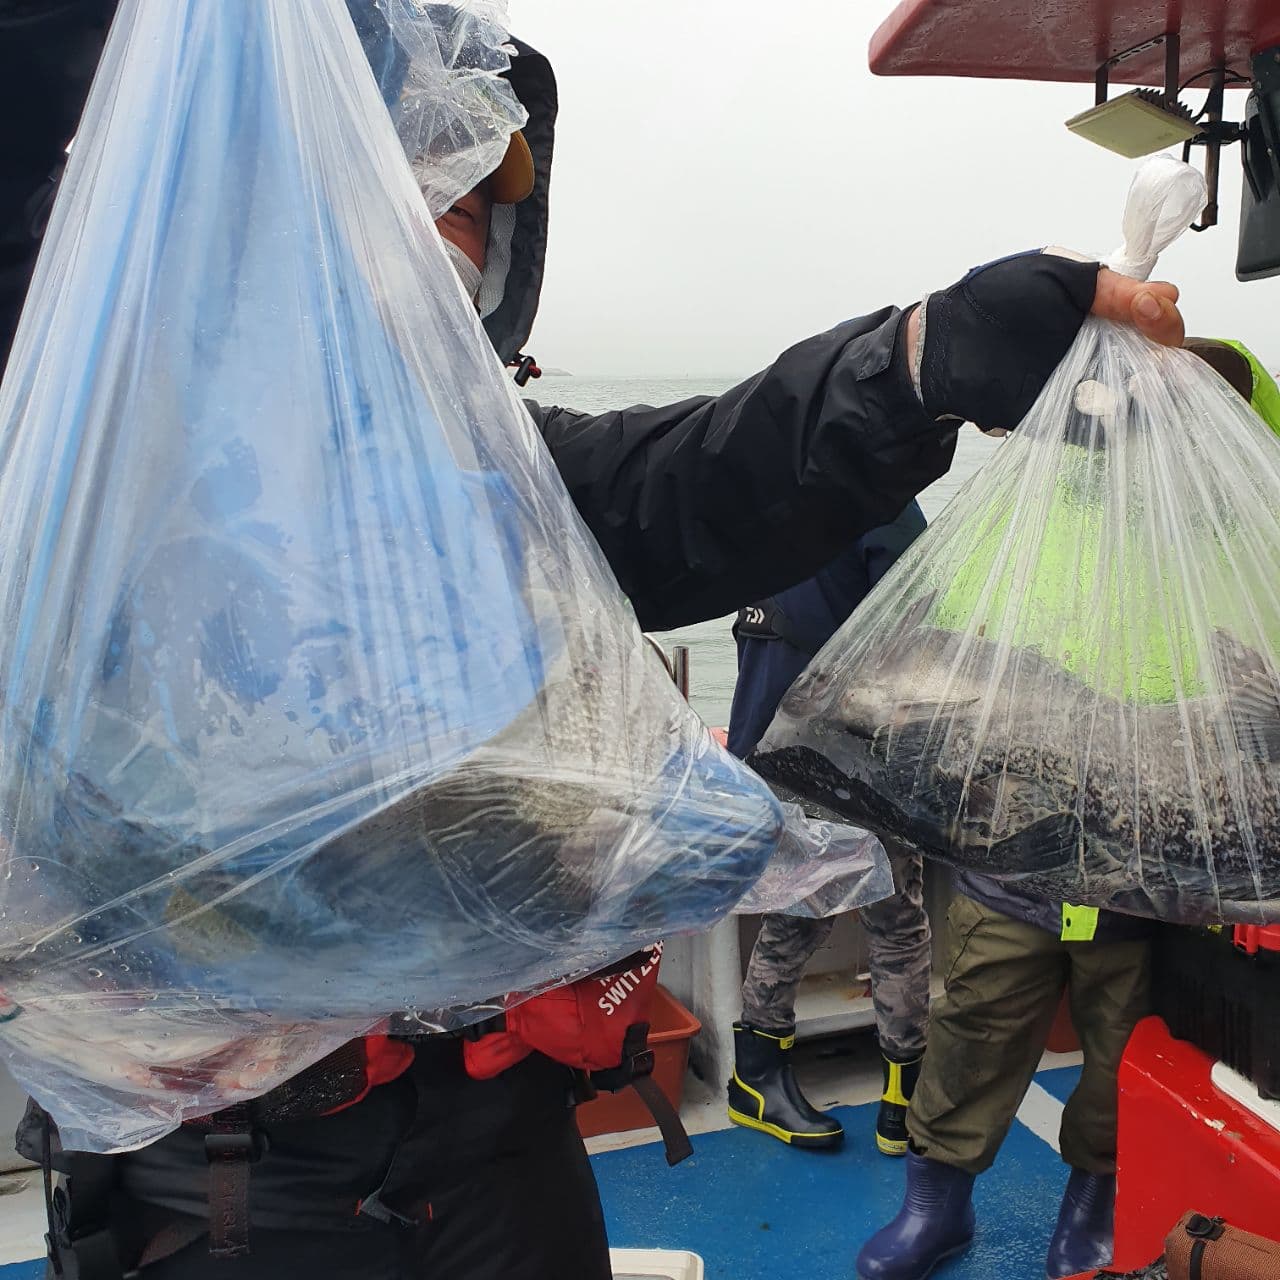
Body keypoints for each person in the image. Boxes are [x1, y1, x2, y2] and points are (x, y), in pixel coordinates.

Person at [7, 8, 1187, 1280]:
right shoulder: (83, 477)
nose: (446, 233)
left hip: (500, 1140)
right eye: (401, 190)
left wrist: (925, 355)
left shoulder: (493, 483)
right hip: (226, 1177)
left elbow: (698, 476)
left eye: (473, 209)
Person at [854, 337, 1279, 1280]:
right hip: (1009, 851)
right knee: (973, 1022)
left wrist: (1183, 364)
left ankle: (1093, 1203)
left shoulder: (1222, 517)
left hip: (1149, 871)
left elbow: (1255, 401)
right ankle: (938, 1205)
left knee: (1121, 1050)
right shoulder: (1028, 509)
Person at [725, 505, 932, 1154]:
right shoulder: (885, 505)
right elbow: (921, 631)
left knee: (792, 921)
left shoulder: (764, 502)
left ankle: (756, 1080)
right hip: (852, 760)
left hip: (765, 750)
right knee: (895, 926)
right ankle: (906, 1096)